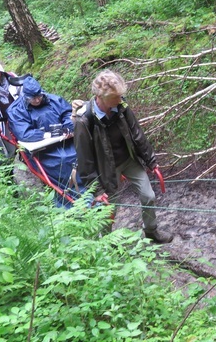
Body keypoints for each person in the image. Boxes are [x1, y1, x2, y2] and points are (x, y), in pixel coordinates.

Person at [73, 70, 173, 244]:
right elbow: (85, 159)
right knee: (108, 208)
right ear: (101, 97)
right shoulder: (85, 120)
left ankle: (151, 231)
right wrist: (97, 191)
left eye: (121, 96)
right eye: (115, 97)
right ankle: (106, 243)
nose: (120, 100)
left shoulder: (121, 106)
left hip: (128, 160)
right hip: (105, 170)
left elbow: (136, 133)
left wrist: (151, 161)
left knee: (148, 196)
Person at [7, 76, 79, 207]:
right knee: (62, 161)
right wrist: (47, 135)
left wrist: (68, 127)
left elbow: (67, 113)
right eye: (33, 98)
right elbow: (24, 133)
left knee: (78, 155)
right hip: (42, 150)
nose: (37, 100)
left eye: (39, 96)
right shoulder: (16, 110)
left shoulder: (54, 100)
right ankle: (68, 201)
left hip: (64, 141)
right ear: (25, 97)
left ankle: (86, 191)